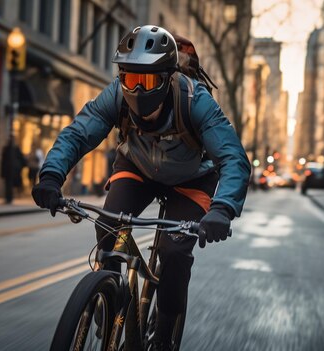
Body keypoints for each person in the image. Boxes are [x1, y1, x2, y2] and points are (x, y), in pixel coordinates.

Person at [32, 26, 250, 350]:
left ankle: (164, 334)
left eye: (145, 80)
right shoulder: (116, 95)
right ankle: (109, 296)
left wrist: (223, 209)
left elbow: (234, 158)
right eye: (127, 77)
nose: (134, 88)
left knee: (174, 253)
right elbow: (79, 133)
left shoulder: (195, 100)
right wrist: (51, 175)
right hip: (137, 167)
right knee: (109, 227)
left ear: (165, 78)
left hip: (191, 181)